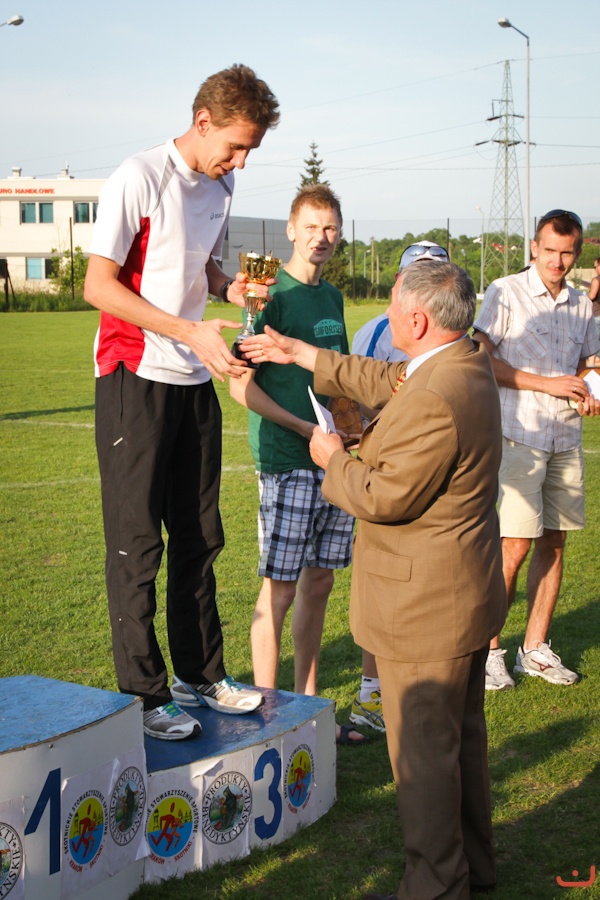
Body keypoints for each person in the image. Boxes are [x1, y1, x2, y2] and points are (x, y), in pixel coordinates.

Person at [242, 261, 507, 898]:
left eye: (391, 305)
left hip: (425, 610)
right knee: (460, 744)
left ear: (417, 319)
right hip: (461, 596)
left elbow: (383, 497)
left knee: (423, 760)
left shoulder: (436, 395)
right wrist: (299, 352)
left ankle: (436, 886)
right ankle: (471, 869)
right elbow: (385, 379)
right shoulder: (461, 361)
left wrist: (334, 458)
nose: (385, 315)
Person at [84, 64, 280, 741]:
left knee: (200, 537)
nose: (241, 161)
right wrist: (186, 330)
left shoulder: (221, 185)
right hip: (134, 373)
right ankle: (144, 695)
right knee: (137, 544)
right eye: (236, 146)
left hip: (195, 379)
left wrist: (230, 291)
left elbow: (203, 267)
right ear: (203, 122)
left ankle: (201, 675)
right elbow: (98, 285)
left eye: (251, 150)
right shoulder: (138, 176)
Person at [229, 184, 362, 744]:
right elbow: (240, 388)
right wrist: (305, 429)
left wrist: (351, 424)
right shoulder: (268, 295)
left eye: (330, 227)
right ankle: (268, 716)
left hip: (335, 458)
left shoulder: (332, 298)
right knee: (280, 589)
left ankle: (306, 710)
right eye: (311, 227)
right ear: (290, 230)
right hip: (288, 460)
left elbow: (339, 377)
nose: (321, 237)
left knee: (320, 583)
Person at [473, 209, 600, 691]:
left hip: (565, 437)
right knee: (514, 546)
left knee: (554, 541)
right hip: (518, 435)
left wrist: (592, 391)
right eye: (549, 250)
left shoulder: (581, 303)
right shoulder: (505, 291)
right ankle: (488, 652)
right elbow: (481, 357)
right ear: (533, 247)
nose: (557, 261)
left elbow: (589, 364)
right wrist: (548, 384)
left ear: (578, 252)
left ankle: (535, 648)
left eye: (567, 253)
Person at [349, 240, 449, 735]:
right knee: (381, 577)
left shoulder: (459, 338)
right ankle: (373, 688)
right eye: (416, 273)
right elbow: (355, 396)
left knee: (428, 580)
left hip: (434, 469)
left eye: (435, 273)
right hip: (386, 467)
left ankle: (425, 686)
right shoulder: (374, 331)